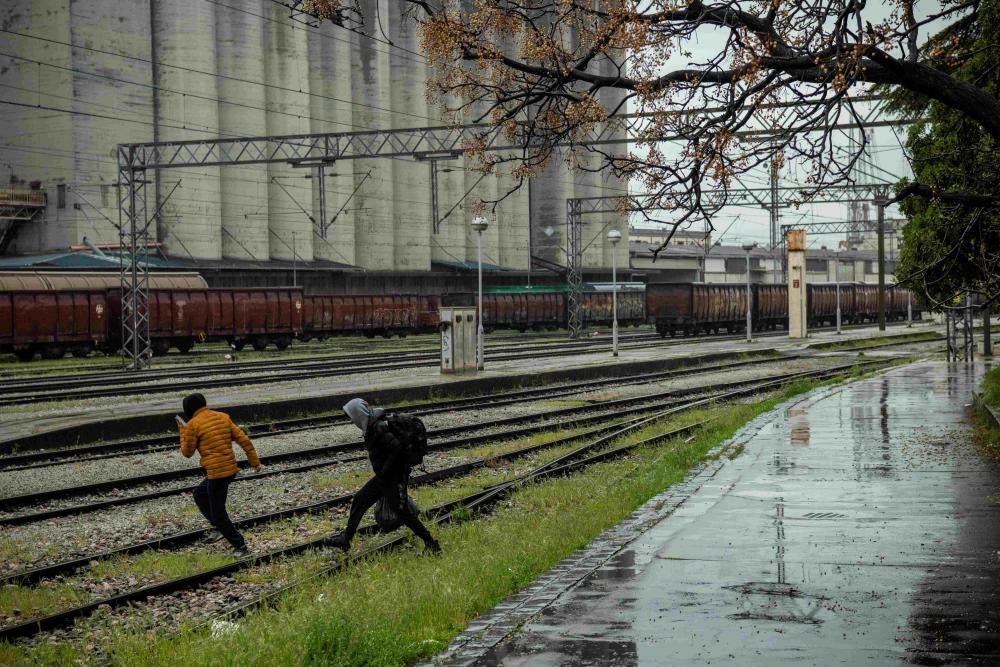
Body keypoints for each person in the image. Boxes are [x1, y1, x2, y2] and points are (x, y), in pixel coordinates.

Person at [325, 398, 440, 554]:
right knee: (360, 499)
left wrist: (385, 471)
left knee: (403, 513)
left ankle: (431, 543)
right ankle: (346, 538)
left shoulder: (378, 427)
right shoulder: (371, 426)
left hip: (392, 478)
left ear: (359, 414)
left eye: (352, 416)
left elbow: (397, 448)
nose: (352, 420)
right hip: (384, 478)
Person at [178, 392, 263, 557]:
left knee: (218, 513)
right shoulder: (223, 417)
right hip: (229, 470)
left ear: (187, 410)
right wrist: (255, 463)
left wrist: (183, 431)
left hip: (217, 474)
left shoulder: (192, 425)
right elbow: (244, 440)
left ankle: (240, 546)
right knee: (200, 494)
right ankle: (218, 528)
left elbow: (187, 452)